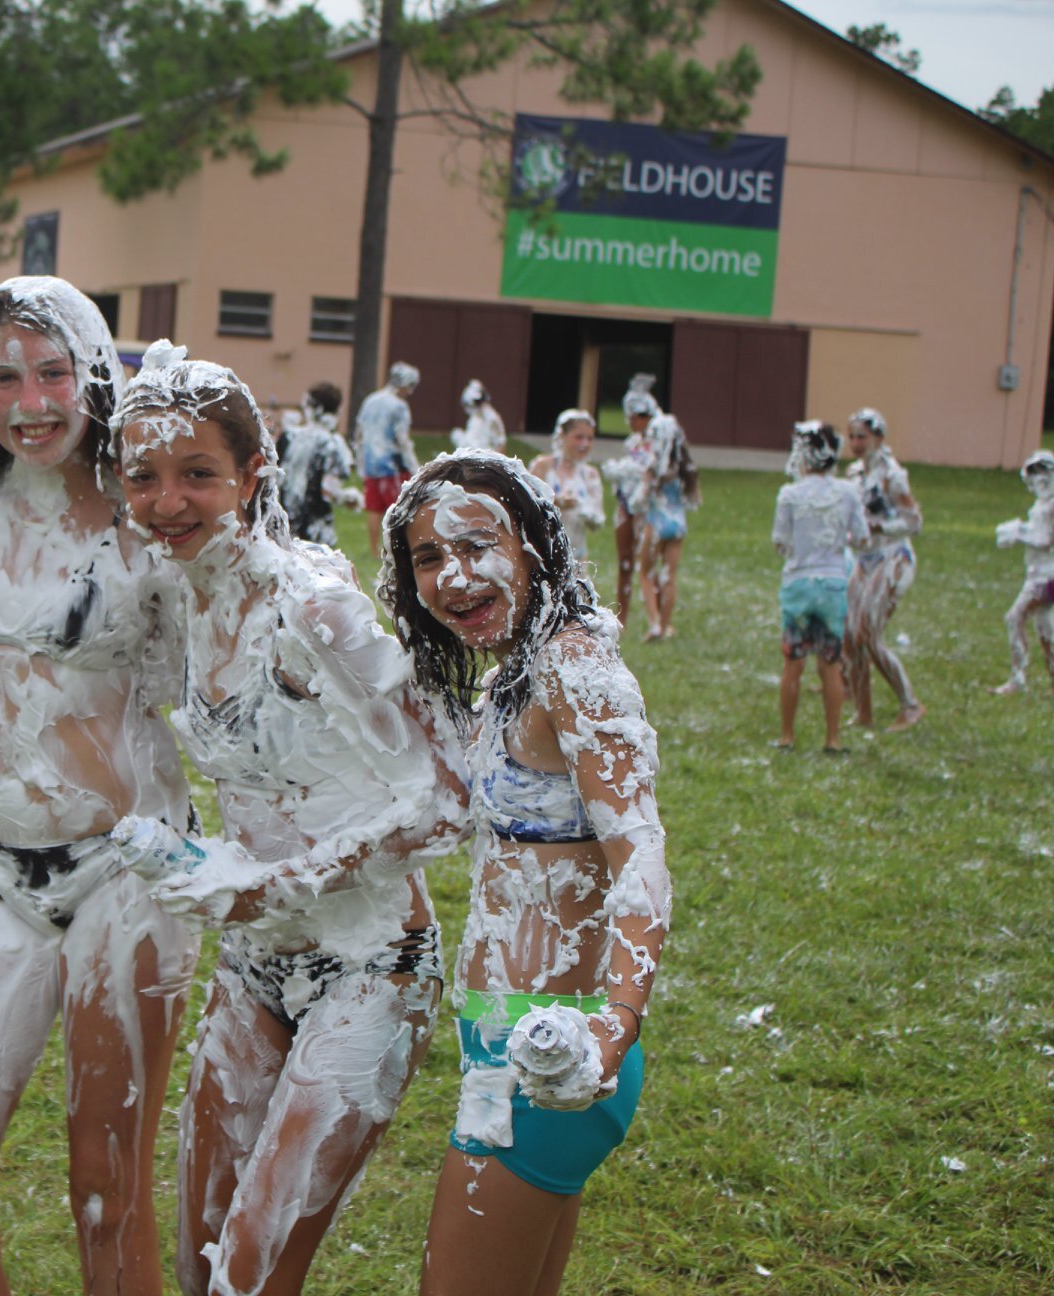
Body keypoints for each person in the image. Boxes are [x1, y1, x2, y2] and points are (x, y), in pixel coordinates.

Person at [110, 342, 465, 1296]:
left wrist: (273, 881)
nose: (167, 502)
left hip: (373, 969)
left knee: (252, 1275)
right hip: (255, 963)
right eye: (143, 477)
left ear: (253, 474)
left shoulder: (313, 608)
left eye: (198, 475)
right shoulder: (181, 600)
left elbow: (449, 797)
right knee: (197, 1267)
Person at [0, 276, 195, 1296]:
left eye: (54, 373)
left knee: (105, 1193)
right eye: (3, 378)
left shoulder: (145, 514)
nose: (31, 403)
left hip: (128, 872)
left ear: (97, 374)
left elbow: (244, 650)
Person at [381, 450, 670, 1296]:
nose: (454, 577)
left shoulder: (572, 667)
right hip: (507, 1033)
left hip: (555, 1055)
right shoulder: (515, 671)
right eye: (428, 558)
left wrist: (611, 1029)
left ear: (536, 547)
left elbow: (641, 856)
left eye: (478, 546)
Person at [771, 422, 869, 752]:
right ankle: (833, 739)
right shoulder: (847, 492)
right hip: (833, 584)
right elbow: (862, 535)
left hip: (798, 583)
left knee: (792, 664)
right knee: (830, 664)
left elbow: (780, 542)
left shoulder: (789, 494)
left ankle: (787, 736)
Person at [842, 408, 924, 730]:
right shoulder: (853, 474)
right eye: (852, 436)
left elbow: (914, 521)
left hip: (894, 558)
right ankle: (863, 712)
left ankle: (911, 705)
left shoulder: (892, 474)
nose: (856, 443)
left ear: (878, 437)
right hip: (864, 559)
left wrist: (879, 526)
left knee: (868, 633)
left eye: (862, 436)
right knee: (849, 637)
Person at [632, 413, 700, 640]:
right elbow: (694, 499)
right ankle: (667, 625)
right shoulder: (683, 466)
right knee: (669, 575)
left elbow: (640, 499)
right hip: (678, 523)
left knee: (645, 573)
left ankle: (654, 623)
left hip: (656, 522)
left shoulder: (654, 466)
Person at [992, 449, 1054, 696]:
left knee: (1015, 617)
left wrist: (1018, 533)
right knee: (1046, 627)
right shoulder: (1044, 504)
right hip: (1041, 572)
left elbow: (1048, 541)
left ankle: (1017, 680)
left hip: (1047, 575)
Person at [604, 375, 660, 625]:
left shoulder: (660, 442)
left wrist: (623, 470)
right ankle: (622, 616)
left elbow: (650, 470)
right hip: (626, 504)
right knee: (624, 561)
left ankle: (657, 618)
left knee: (648, 563)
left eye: (632, 417)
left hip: (648, 508)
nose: (629, 422)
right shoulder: (634, 442)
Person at [274, 382, 357, 548]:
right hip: (315, 529)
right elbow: (329, 490)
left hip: (282, 522)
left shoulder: (288, 437)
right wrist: (350, 498)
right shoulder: (332, 444)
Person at [354, 362, 418, 559]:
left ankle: (374, 551)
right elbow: (402, 439)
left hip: (371, 463)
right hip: (393, 465)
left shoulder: (371, 400)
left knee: (373, 508)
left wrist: (360, 461)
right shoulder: (399, 406)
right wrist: (415, 467)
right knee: (398, 509)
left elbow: (359, 432)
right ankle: (396, 550)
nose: (411, 392)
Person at [529, 409, 605, 573]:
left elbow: (597, 521)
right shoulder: (543, 466)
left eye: (590, 438)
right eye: (578, 437)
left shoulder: (590, 475)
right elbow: (527, 505)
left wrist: (589, 513)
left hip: (577, 554)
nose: (584, 444)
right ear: (562, 436)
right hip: (543, 551)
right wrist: (556, 501)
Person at [452, 379, 506, 452]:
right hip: (475, 453)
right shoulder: (476, 417)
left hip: (486, 455)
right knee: (457, 434)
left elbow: (500, 443)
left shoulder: (491, 418)